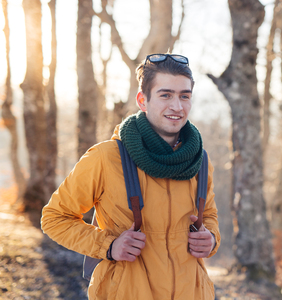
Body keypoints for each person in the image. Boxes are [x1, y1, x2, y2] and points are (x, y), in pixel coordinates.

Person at [41, 53, 220, 300]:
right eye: (165, 95)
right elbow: (54, 218)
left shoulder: (200, 161)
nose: (177, 106)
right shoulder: (105, 157)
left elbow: (208, 215)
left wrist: (210, 238)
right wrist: (109, 246)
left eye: (184, 96)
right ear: (142, 100)